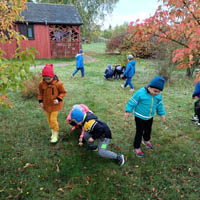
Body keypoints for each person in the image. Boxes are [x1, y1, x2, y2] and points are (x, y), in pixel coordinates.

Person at [124, 76, 166, 157]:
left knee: (148, 129)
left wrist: (161, 113)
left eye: (159, 92)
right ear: (149, 87)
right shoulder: (140, 93)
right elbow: (132, 102)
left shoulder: (158, 95)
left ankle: (146, 140)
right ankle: (136, 147)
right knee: (139, 131)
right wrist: (128, 111)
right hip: (139, 117)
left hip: (150, 116)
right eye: (155, 91)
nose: (156, 93)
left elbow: (159, 105)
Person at [38, 64, 66, 143]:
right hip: (46, 105)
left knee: (53, 119)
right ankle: (52, 132)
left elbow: (63, 92)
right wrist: (40, 101)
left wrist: (58, 99)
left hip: (55, 106)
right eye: (45, 78)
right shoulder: (41, 84)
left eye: (49, 78)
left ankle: (56, 134)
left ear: (52, 76)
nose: (47, 80)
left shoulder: (58, 84)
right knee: (49, 120)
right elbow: (40, 93)